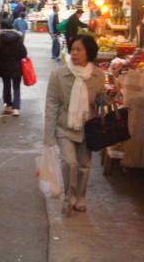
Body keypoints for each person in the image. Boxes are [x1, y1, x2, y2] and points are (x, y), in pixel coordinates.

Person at [44, 35, 105, 216]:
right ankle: (69, 198)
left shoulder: (98, 75)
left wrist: (109, 96)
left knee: (84, 165)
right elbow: (51, 105)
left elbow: (100, 100)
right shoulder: (58, 75)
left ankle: (80, 198)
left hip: (87, 128)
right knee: (70, 163)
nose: (74, 53)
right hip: (64, 127)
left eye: (79, 49)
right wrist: (48, 135)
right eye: (72, 49)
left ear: (89, 53)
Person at [0, 20, 27, 117]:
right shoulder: (18, 39)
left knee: (6, 86)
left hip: (4, 67)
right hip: (17, 67)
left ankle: (8, 106)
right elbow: (23, 53)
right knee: (16, 87)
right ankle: (16, 109)